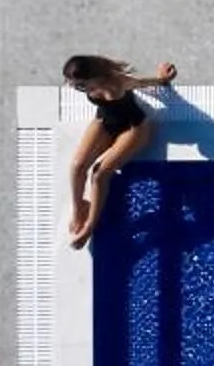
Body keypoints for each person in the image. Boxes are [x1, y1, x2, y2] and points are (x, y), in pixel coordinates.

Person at [62, 54, 176, 250]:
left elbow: (140, 83)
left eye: (81, 84)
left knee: (99, 174)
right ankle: (79, 208)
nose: (76, 88)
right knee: (77, 166)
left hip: (133, 128)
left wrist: (162, 79)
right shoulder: (88, 84)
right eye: (75, 84)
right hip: (105, 122)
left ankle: (89, 227)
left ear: (93, 76)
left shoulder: (117, 81)